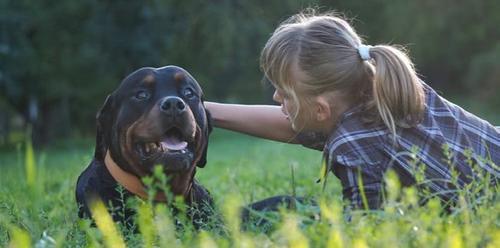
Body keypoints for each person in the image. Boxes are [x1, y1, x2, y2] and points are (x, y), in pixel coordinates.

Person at [204, 10, 499, 211]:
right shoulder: (386, 89)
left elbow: (367, 227)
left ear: (321, 110)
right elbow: (295, 122)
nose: (275, 96)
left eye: (284, 92)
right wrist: (204, 110)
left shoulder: (352, 143)